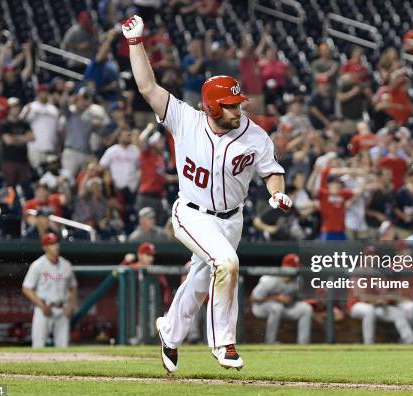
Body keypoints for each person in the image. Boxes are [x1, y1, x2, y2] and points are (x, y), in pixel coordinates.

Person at [123, 15, 290, 372]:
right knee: (226, 263)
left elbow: (272, 172)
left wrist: (277, 194)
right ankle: (223, 344)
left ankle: (169, 330)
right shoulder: (186, 119)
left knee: (200, 282)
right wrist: (136, 44)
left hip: (232, 219)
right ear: (212, 107)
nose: (237, 108)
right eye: (230, 105)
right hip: (192, 212)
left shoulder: (255, 135)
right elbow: (148, 88)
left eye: (237, 103)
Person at [347, 248, 413, 344]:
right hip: (356, 305)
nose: (371, 258)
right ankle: (368, 345)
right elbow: (361, 297)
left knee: (398, 313)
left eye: (373, 256)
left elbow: (384, 294)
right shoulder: (357, 272)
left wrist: (385, 298)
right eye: (368, 256)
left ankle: (410, 342)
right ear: (363, 258)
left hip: (376, 306)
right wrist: (379, 299)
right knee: (369, 311)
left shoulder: (378, 274)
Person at [22, 233, 77, 348]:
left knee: (63, 348)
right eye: (51, 244)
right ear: (45, 247)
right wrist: (41, 305)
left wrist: (71, 305)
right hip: (44, 309)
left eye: (56, 243)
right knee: (38, 346)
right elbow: (26, 288)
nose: (56, 246)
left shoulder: (66, 265)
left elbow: (73, 286)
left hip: (62, 309)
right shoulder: (38, 265)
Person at [250, 253, 313, 344]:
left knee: (306, 309)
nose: (296, 269)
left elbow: (297, 299)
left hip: (285, 307)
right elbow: (253, 299)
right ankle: (270, 343)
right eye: (293, 267)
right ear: (284, 266)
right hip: (261, 308)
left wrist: (290, 299)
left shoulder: (298, 280)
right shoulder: (270, 279)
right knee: (276, 307)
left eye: (297, 267)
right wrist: (276, 298)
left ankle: (303, 344)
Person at [0, 97, 34, 187]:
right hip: (9, 160)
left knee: (25, 186)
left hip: (23, 160)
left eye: (17, 106)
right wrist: (23, 138)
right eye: (13, 107)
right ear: (8, 109)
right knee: (10, 187)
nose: (16, 109)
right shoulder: (4, 124)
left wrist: (14, 138)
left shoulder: (24, 123)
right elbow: (8, 141)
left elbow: (32, 138)